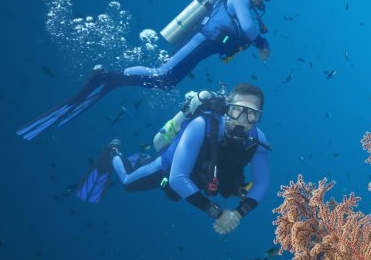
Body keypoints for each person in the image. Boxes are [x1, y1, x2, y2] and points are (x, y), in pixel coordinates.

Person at [17, 0, 272, 141]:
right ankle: (105, 76)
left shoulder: (243, 4)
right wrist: (260, 42)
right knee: (162, 74)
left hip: (204, 46)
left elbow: (243, 32)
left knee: (165, 82)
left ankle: (114, 79)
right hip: (200, 41)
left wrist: (252, 40)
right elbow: (249, 30)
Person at [77, 82, 271, 235]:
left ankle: (141, 158)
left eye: (252, 114)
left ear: (259, 118)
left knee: (174, 196)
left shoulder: (257, 139)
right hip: (170, 168)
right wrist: (218, 213)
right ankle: (113, 151)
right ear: (227, 109)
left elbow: (262, 182)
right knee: (128, 182)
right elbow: (177, 177)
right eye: (237, 110)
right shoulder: (201, 125)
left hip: (198, 177)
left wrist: (238, 214)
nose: (242, 120)